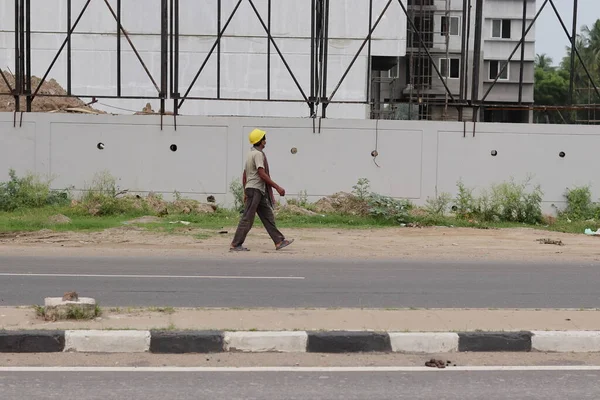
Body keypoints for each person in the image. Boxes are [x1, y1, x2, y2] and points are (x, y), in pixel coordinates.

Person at [230, 128, 294, 252]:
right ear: (260, 141)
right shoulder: (258, 154)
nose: (265, 141)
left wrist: (245, 190)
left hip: (255, 190)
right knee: (247, 217)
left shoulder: (250, 154)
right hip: (255, 190)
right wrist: (277, 187)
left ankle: (279, 241)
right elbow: (261, 173)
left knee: (267, 216)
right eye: (264, 139)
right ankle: (236, 244)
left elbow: (245, 174)